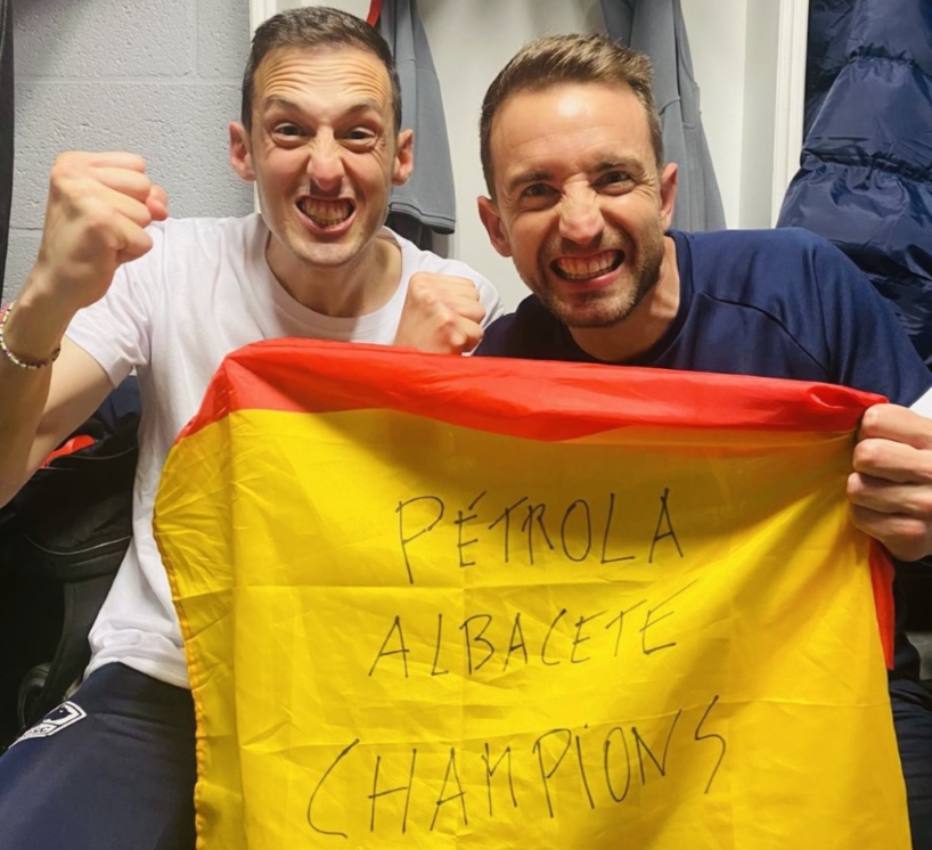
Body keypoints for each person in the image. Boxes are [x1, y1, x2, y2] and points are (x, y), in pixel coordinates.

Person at [0, 7, 501, 848]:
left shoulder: (455, 304)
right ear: (243, 151)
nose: (326, 167)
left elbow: (433, 553)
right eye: (290, 131)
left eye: (359, 133)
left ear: (401, 157)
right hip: (169, 675)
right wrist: (45, 297)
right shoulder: (166, 268)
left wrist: (405, 387)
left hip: (366, 682)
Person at [473, 33, 932, 848]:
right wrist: (399, 372)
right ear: (496, 226)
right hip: (606, 735)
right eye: (537, 192)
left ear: (667, 194)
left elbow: (918, 523)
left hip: (834, 701)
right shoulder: (496, 371)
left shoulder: (803, 283)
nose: (581, 223)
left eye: (613, 178)